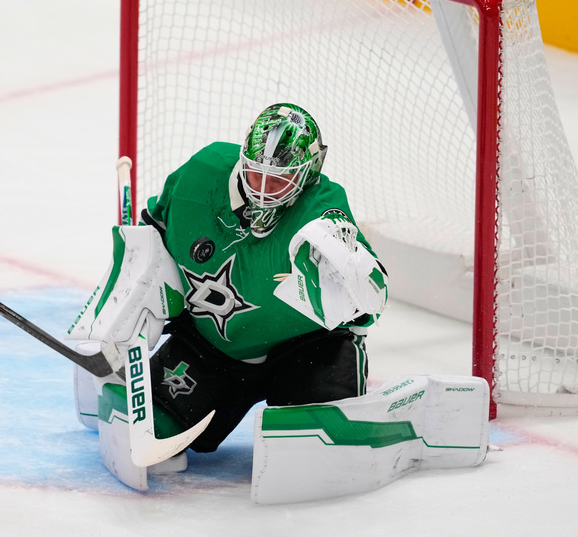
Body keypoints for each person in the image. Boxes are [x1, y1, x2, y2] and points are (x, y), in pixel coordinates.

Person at [70, 103, 389, 475]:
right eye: (256, 175)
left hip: (305, 349)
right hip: (213, 348)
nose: (265, 191)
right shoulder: (201, 175)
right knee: (148, 430)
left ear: (308, 175)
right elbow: (148, 244)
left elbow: (374, 295)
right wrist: (130, 301)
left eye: (280, 180)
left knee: (311, 454)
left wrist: (348, 270)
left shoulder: (323, 210)